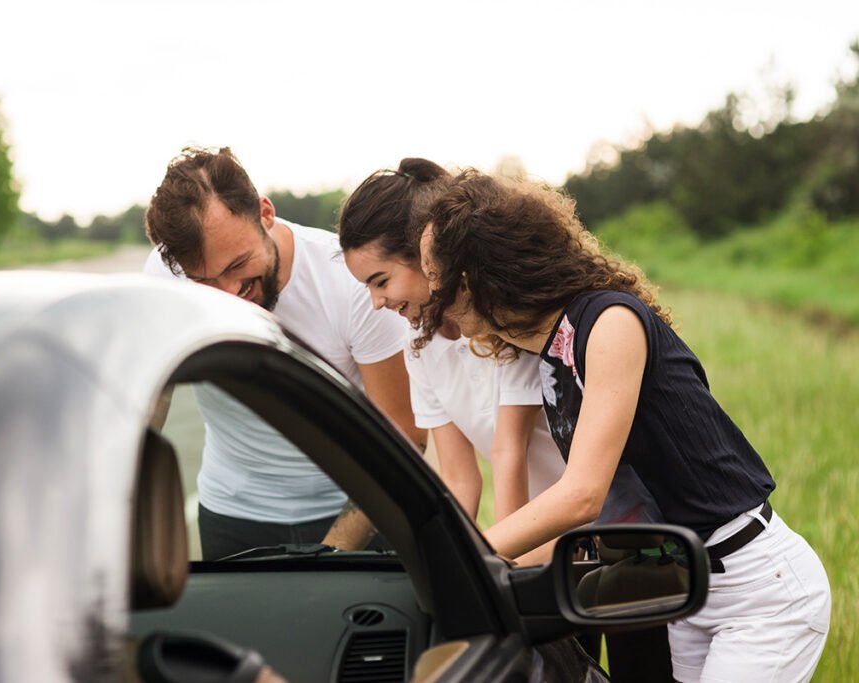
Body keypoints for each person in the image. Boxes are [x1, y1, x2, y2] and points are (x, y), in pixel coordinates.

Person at [416, 169, 831, 683]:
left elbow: (582, 495)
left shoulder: (610, 322)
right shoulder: (552, 350)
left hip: (757, 591)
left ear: (474, 278)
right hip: (685, 586)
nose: (432, 305)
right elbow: (604, 516)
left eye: (437, 286)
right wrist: (497, 567)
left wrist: (466, 559)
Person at [143, 146, 423, 559]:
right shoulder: (165, 278)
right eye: (206, 280)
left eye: (239, 264)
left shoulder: (351, 285)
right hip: (230, 513)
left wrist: (332, 552)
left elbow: (405, 434)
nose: (230, 294)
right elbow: (152, 397)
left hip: (357, 508)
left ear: (265, 213)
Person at [338, 158, 565, 523]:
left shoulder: (503, 325)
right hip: (531, 529)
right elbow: (460, 479)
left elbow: (509, 453)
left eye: (381, 281)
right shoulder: (420, 344)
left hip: (585, 524)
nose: (376, 302)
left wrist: (504, 562)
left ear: (424, 254)